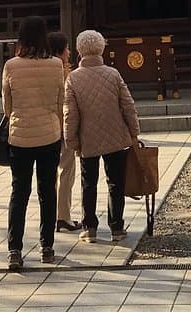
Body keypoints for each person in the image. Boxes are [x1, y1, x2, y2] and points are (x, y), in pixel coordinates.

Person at [64, 29, 140, 244]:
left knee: (88, 183)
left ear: (79, 50)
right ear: (101, 48)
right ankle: (117, 227)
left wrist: (72, 140)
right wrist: (134, 131)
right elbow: (128, 105)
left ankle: (89, 228)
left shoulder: (73, 78)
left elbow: (70, 114)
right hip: (116, 136)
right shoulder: (113, 74)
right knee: (115, 182)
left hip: (88, 139)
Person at [2, 16, 64, 271]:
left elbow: (7, 106)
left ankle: (15, 249)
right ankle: (46, 246)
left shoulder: (11, 66)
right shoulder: (57, 64)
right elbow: (60, 102)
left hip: (20, 136)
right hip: (49, 133)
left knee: (20, 192)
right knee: (47, 191)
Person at [47, 30, 81, 233]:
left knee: (49, 174)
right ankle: (63, 215)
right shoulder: (65, 73)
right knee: (67, 171)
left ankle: (50, 215)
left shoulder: (43, 69)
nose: (69, 52)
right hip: (64, 125)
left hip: (46, 126)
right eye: (67, 48)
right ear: (60, 51)